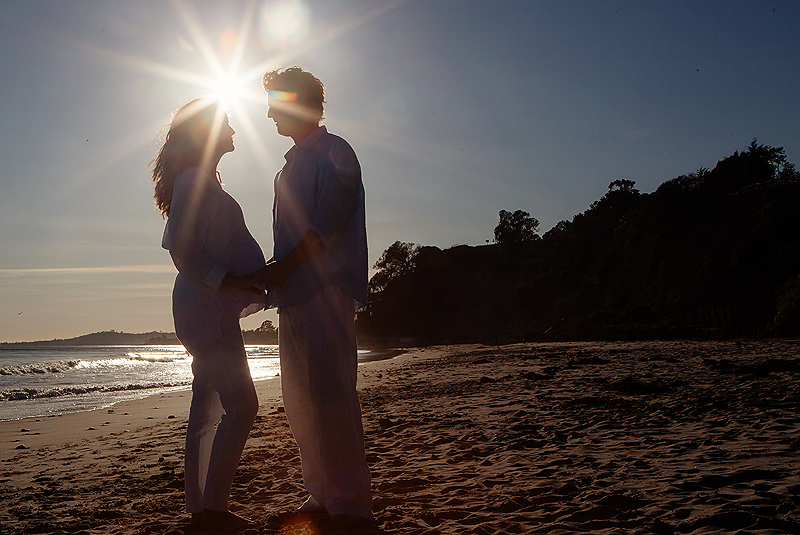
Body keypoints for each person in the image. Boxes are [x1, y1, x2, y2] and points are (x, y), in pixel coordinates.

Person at [258, 67, 374, 530]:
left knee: (332, 398)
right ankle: (323, 492)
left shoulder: (335, 152)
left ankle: (349, 502)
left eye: (274, 101)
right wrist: (274, 276)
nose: (268, 113)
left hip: (326, 291)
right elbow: (287, 239)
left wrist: (278, 269)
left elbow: (324, 229)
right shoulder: (287, 166)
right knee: (300, 400)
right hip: (292, 297)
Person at [151, 99, 265, 532]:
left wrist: (247, 278)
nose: (235, 128)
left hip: (205, 308)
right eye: (227, 123)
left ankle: (200, 510)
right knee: (243, 406)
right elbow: (182, 250)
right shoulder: (194, 180)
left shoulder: (201, 180)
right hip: (207, 309)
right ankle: (214, 511)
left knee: (207, 410)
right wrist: (232, 283)